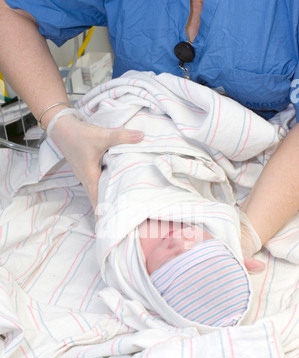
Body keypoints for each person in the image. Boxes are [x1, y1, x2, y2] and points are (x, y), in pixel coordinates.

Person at [0, 0, 299, 259]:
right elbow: (10, 13)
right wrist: (58, 121)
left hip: (271, 179)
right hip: (135, 153)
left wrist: (246, 234)